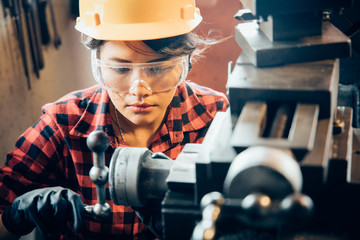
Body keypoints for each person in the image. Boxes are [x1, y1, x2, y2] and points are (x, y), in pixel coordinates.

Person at [0, 0, 229, 239]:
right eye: (121, 69)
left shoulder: (214, 116)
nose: (140, 91)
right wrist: (16, 217)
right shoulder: (63, 124)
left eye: (157, 68)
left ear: (186, 61)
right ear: (98, 64)